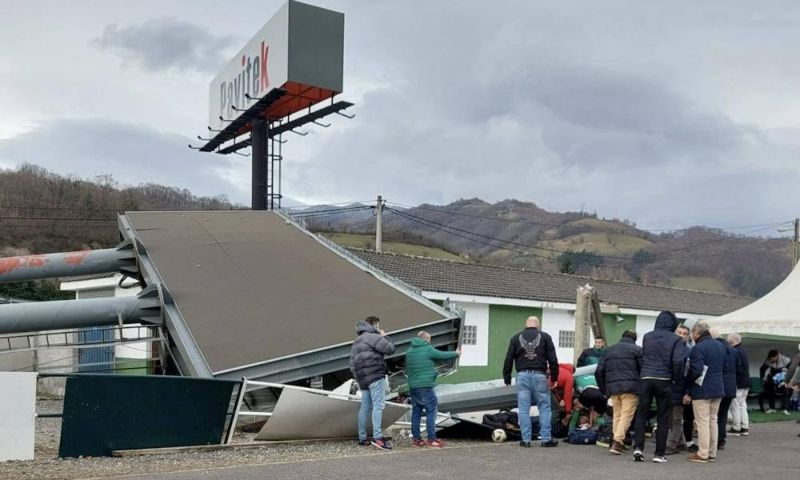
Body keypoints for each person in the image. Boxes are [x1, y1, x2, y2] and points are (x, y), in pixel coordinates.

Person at [632, 311, 684, 464]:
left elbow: (644, 356)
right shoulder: (676, 339)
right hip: (664, 379)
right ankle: (659, 453)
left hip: (646, 378)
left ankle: (638, 448)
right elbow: (678, 362)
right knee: (663, 417)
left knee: (641, 414)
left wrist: (644, 372)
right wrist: (676, 379)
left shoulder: (647, 336)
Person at [503, 316, 559, 448]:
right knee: (544, 408)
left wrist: (506, 377)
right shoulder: (545, 337)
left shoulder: (516, 338)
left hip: (522, 376)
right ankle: (546, 439)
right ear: (538, 325)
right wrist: (555, 378)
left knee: (523, 409)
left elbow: (508, 359)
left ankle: (526, 440)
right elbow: (553, 359)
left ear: (525, 325)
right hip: (540, 375)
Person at [404, 330, 461, 448]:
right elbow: (442, 355)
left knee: (416, 412)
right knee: (431, 411)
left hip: (413, 387)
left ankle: (416, 440)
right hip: (425, 387)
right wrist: (456, 353)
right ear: (425, 339)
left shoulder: (409, 351)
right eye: (429, 340)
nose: (430, 343)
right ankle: (432, 439)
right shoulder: (427, 349)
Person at [349, 315, 395, 450]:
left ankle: (362, 438)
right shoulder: (373, 337)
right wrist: (385, 336)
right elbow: (390, 349)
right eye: (378, 325)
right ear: (374, 326)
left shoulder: (356, 342)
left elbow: (352, 364)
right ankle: (378, 438)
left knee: (364, 408)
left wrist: (359, 378)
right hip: (375, 376)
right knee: (378, 406)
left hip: (362, 379)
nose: (379, 328)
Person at [595, 330, 643, 455]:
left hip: (613, 388)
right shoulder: (637, 350)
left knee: (617, 415)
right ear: (634, 339)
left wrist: (604, 390)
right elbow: (643, 370)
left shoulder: (609, 350)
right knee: (626, 415)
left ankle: (616, 442)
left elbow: (599, 371)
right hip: (631, 388)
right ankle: (617, 441)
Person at [686, 321, 726, 463]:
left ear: (697, 333)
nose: (691, 335)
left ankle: (702, 453)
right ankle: (711, 452)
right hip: (718, 388)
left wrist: (688, 384)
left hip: (702, 390)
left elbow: (696, 371)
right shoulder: (721, 346)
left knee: (702, 422)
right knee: (713, 421)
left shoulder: (698, 348)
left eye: (692, 333)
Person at [666, 324, 691, 455]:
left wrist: (687, 392)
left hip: (680, 388)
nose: (681, 335)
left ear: (688, 336)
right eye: (679, 332)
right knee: (670, 417)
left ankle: (672, 444)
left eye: (684, 334)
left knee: (676, 418)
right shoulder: (669, 348)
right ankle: (680, 442)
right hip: (669, 387)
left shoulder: (688, 352)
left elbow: (689, 374)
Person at [712, 329, 736, 451]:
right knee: (723, 415)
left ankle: (717, 439)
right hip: (731, 386)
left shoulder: (717, 349)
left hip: (720, 385)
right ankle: (722, 439)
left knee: (715, 415)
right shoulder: (733, 350)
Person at [727, 332, 750, 436]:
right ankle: (745, 427)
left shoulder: (734, 351)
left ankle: (736, 428)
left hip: (738, 382)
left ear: (732, 341)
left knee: (735, 405)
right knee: (742, 405)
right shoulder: (743, 350)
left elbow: (736, 368)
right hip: (746, 382)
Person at [759, 350, 791, 414]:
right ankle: (772, 408)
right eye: (770, 359)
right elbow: (762, 369)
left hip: (782, 376)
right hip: (773, 375)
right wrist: (763, 378)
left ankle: (784, 409)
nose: (771, 361)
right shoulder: (768, 360)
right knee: (770, 390)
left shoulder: (786, 360)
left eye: (772, 359)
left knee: (785, 391)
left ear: (776, 356)